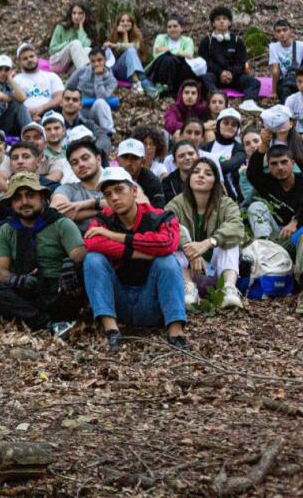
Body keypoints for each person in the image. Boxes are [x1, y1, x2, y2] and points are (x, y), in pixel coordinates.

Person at [82, 167, 188, 352]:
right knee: (93, 259)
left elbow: (167, 244)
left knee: (167, 261)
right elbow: (91, 241)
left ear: (134, 191)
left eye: (119, 190)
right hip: (119, 300)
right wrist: (136, 252)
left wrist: (115, 236)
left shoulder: (159, 216)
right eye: (108, 194)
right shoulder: (103, 219)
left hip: (152, 301)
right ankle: (111, 331)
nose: (114, 198)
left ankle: (176, 332)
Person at [0, 173, 86, 336]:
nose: (24, 202)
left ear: (42, 197)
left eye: (30, 196)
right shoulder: (7, 230)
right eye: (17, 198)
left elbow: (79, 252)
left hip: (59, 289)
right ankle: (47, 324)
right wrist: (15, 279)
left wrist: (71, 265)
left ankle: (37, 319)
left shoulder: (61, 223)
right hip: (25, 290)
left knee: (85, 270)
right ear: (11, 204)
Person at [166, 157, 245, 310]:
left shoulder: (226, 203)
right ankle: (188, 288)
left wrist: (210, 242)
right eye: (196, 172)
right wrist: (192, 251)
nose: (201, 175)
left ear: (215, 181)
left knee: (229, 238)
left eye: (208, 173)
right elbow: (166, 225)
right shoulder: (176, 203)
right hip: (188, 268)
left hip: (218, 267)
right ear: (189, 179)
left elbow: (237, 226)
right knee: (177, 231)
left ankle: (228, 289)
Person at [198, 6, 260, 99]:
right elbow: (205, 62)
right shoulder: (207, 41)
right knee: (205, 79)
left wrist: (231, 73)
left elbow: (241, 62)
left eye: (224, 19)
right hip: (215, 76)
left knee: (254, 82)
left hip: (234, 76)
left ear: (230, 22)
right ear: (213, 23)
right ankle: (216, 99)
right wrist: (220, 73)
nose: (222, 21)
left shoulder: (237, 41)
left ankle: (248, 102)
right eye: (218, 19)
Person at [246, 143, 303, 239]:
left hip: (299, 233)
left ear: (293, 163)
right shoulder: (266, 183)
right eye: (274, 163)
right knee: (256, 207)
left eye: (284, 162)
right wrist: (262, 148)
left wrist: (295, 221)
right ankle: (265, 245)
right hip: (276, 235)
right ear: (268, 166)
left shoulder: (301, 180)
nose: (280, 167)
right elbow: (252, 173)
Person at [51, 138, 105, 232]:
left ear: (98, 159)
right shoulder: (67, 189)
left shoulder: (117, 181)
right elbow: (56, 212)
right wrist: (101, 211)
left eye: (85, 158)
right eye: (74, 163)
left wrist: (87, 204)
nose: (81, 164)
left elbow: (134, 203)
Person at [67, 48, 119, 139]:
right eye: (93, 61)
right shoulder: (82, 71)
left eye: (99, 60)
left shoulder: (111, 80)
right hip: (79, 110)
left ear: (105, 60)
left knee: (100, 103)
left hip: (97, 112)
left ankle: (108, 133)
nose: (96, 64)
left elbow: (101, 96)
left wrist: (99, 77)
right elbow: (68, 86)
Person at [201, 107, 246, 201]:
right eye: (226, 123)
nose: (229, 126)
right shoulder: (206, 147)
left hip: (230, 196)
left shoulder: (240, 150)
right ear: (218, 125)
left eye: (234, 125)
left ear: (237, 129)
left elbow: (229, 165)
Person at [14, 43, 64, 119]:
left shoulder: (51, 76)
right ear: (19, 62)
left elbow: (59, 97)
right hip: (26, 116)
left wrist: (42, 108)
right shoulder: (16, 79)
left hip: (50, 112)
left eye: (31, 56)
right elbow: (15, 102)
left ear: (37, 57)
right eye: (25, 58)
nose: (29, 60)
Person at [115, 139, 165, 208]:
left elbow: (159, 212)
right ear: (117, 160)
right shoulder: (111, 177)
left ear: (143, 162)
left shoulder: (153, 183)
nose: (129, 163)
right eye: (125, 157)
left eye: (134, 158)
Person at [49, 1, 93, 73]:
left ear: (85, 15)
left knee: (88, 49)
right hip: (58, 63)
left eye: (80, 13)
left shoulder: (87, 30)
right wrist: (68, 44)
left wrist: (81, 28)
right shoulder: (61, 27)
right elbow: (51, 50)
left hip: (72, 67)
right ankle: (87, 75)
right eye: (74, 13)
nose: (76, 16)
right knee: (75, 43)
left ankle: (84, 74)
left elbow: (85, 45)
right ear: (70, 14)